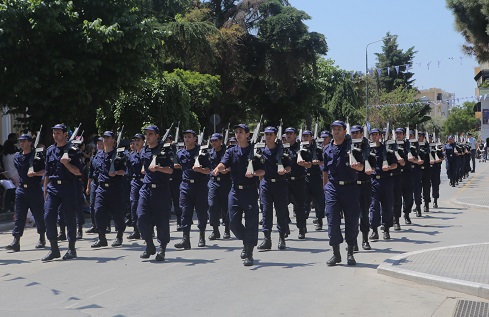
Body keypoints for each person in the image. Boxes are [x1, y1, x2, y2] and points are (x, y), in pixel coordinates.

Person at [213, 124, 265, 266]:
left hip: (249, 191)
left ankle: (249, 251)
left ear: (247, 134)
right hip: (235, 191)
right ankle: (247, 241)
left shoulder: (255, 151)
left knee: (251, 222)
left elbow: (263, 171)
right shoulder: (231, 151)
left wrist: (254, 173)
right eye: (236, 132)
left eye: (241, 132)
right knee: (233, 222)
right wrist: (219, 168)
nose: (238, 134)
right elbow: (223, 163)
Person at [323, 121, 364, 266]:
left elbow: (362, 166)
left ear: (344, 131)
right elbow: (325, 171)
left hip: (350, 187)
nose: (336, 132)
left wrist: (359, 167)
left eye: (339, 129)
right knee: (332, 220)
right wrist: (325, 188)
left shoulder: (352, 147)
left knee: (351, 221)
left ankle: (350, 253)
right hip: (333, 188)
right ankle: (336, 254)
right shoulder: (327, 149)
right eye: (334, 129)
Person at [42, 124, 83, 261]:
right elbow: (47, 172)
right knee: (48, 216)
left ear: (66, 134)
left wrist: (66, 164)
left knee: (69, 218)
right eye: (54, 133)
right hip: (53, 187)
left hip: (68, 187)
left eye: (58, 132)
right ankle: (54, 249)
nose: (55, 135)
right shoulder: (50, 150)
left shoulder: (73, 150)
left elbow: (78, 172)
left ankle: (71, 248)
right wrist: (45, 190)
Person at [137, 125, 174, 261]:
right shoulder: (145, 150)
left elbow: (170, 170)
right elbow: (144, 165)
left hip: (161, 189)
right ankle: (149, 245)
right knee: (141, 217)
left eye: (151, 134)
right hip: (146, 188)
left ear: (157, 136)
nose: (147, 136)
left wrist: (158, 168)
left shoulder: (166, 150)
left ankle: (162, 248)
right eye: (146, 134)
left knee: (162, 220)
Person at [5, 134, 46, 252]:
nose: (21, 143)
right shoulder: (18, 156)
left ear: (30, 143)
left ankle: (42, 237)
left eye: (24, 141)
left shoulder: (37, 155)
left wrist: (35, 173)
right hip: (22, 189)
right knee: (19, 216)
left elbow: (45, 170)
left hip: (34, 189)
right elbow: (20, 169)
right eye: (20, 141)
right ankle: (16, 241)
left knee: (38, 215)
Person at [174, 130, 210, 249]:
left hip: (199, 186)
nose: (187, 139)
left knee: (201, 212)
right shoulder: (180, 153)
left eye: (189, 137)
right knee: (185, 212)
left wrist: (200, 170)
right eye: (185, 137)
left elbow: (208, 170)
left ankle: (202, 236)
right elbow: (178, 165)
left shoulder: (201, 153)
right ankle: (186, 239)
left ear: (195, 139)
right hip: (185, 186)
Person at [91, 131, 127, 248]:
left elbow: (124, 171)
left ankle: (119, 236)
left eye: (108, 138)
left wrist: (116, 172)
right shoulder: (98, 155)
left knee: (118, 213)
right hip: (101, 188)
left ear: (113, 140)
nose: (105, 140)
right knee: (98, 211)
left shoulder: (118, 155)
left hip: (115, 187)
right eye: (104, 138)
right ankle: (102, 237)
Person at [257, 126, 291, 250]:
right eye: (266, 134)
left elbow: (289, 166)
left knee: (281, 211)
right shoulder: (259, 151)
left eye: (271, 134)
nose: (268, 136)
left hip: (280, 183)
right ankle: (267, 239)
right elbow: (257, 167)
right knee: (266, 212)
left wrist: (285, 170)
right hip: (266, 184)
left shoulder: (282, 150)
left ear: (275, 136)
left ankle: (282, 238)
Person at [369, 128, 397, 240]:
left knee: (387, 205)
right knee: (374, 206)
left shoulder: (386, 149)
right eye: (372, 135)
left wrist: (389, 167)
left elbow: (395, 164)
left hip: (386, 180)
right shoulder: (368, 150)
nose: (374, 137)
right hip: (373, 180)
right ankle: (374, 230)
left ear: (380, 136)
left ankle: (386, 229)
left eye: (375, 134)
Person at [350, 125, 372, 250]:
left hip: (364, 184)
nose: (354, 135)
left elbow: (372, 164)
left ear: (361, 133)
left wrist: (365, 167)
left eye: (356, 133)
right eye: (352, 133)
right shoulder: (348, 146)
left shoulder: (367, 147)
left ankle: (365, 239)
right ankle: (353, 242)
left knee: (364, 214)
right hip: (352, 185)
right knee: (352, 215)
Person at [284, 127, 308, 239]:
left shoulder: (301, 147)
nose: (288, 135)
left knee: (299, 206)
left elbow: (309, 162)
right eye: (286, 133)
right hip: (286, 180)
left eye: (290, 133)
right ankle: (285, 227)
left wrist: (304, 162)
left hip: (299, 180)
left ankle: (301, 228)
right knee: (282, 205)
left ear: (295, 135)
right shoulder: (282, 148)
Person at [207, 133, 232, 240]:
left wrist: (227, 170)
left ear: (221, 141)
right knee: (212, 205)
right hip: (213, 181)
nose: (213, 143)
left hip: (225, 181)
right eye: (212, 141)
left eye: (215, 141)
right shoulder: (209, 153)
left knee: (225, 206)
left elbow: (232, 164)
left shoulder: (227, 152)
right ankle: (215, 230)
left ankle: (227, 228)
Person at [302, 130, 325, 231]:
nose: (305, 138)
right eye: (304, 136)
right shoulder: (301, 148)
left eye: (307, 136)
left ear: (311, 137)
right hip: (305, 177)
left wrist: (317, 162)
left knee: (318, 200)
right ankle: (303, 224)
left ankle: (319, 220)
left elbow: (324, 161)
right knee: (305, 201)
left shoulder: (318, 149)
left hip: (316, 176)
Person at [126, 133, 145, 239]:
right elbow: (129, 171)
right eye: (135, 141)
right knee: (134, 205)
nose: (136, 143)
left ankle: (149, 228)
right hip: (135, 182)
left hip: (145, 182)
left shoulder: (147, 154)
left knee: (145, 207)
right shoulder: (131, 156)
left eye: (139, 140)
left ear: (143, 142)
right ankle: (136, 230)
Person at [85, 137, 104, 233]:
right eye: (98, 144)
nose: (99, 145)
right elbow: (90, 174)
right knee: (92, 205)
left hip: (103, 183)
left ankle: (105, 225)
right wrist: (88, 186)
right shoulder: (93, 158)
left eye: (101, 143)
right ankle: (94, 225)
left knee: (103, 206)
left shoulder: (107, 156)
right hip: (95, 183)